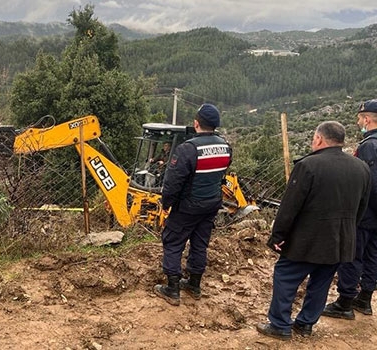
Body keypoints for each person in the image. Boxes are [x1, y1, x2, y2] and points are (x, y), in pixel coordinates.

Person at [256, 121, 371, 341]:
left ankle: (280, 325)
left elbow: (290, 207)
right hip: (340, 240)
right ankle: (306, 324)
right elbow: (361, 208)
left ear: (319, 139)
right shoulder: (361, 167)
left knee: (286, 276)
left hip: (306, 240)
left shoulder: (308, 166)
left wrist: (278, 236)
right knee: (321, 282)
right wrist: (347, 232)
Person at [153, 103, 232, 306]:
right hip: (211, 204)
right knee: (200, 244)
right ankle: (194, 285)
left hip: (187, 206)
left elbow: (173, 181)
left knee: (173, 242)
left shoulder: (188, 149)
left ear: (196, 123)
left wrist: (166, 203)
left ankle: (172, 288)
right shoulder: (225, 147)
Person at [322, 99, 377, 320]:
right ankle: (364, 299)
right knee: (373, 255)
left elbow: (368, 184)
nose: (357, 123)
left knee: (353, 255)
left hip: (367, 213)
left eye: (359, 119)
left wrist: (355, 209)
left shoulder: (369, 146)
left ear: (367, 119)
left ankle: (345, 302)